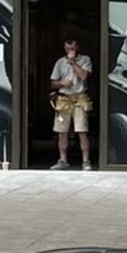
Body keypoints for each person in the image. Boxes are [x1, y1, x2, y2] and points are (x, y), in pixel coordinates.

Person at [50, 34, 95, 170]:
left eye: (73, 47)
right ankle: (63, 160)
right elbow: (53, 83)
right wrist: (62, 83)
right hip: (64, 99)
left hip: (79, 98)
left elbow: (84, 76)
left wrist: (73, 62)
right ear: (64, 47)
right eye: (68, 47)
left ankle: (86, 161)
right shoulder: (59, 62)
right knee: (61, 131)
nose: (70, 50)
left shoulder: (85, 60)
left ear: (77, 47)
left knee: (82, 130)